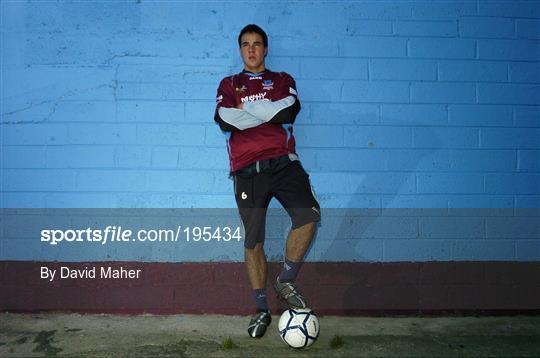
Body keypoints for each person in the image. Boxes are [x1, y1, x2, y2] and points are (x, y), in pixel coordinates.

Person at [214, 24, 320, 338]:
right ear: (240, 49)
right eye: (245, 44)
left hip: (284, 162)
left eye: (257, 44)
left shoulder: (283, 79)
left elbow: (289, 111)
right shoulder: (229, 83)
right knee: (254, 241)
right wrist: (266, 110)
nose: (251, 49)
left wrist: (247, 110)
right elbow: (224, 118)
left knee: (309, 216)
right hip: (246, 169)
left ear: (265, 49)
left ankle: (286, 279)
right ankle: (261, 309)